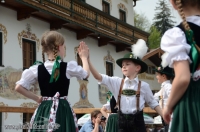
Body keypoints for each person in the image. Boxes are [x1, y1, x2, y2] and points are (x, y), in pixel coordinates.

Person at [15, 31, 90, 132]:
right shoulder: (67, 67)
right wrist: (84, 58)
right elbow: (85, 74)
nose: (64, 49)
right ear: (59, 47)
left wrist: (37, 98)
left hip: (44, 109)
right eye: (64, 47)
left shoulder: (37, 69)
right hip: (62, 109)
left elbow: (18, 87)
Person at [87, 39, 162, 132]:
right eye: (122, 65)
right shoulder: (116, 82)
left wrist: (165, 115)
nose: (124, 66)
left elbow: (154, 104)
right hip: (121, 123)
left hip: (137, 124)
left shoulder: (144, 86)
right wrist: (87, 60)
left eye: (127, 64)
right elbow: (98, 77)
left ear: (137, 68)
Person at [160, 0, 200, 131]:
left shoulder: (179, 34)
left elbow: (183, 78)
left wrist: (168, 106)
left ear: (174, 3)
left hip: (194, 102)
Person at [153, 66, 174, 132]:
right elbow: (156, 97)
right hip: (164, 116)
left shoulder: (169, 87)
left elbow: (172, 98)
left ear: (164, 76)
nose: (156, 77)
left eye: (157, 75)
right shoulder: (163, 89)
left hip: (169, 115)